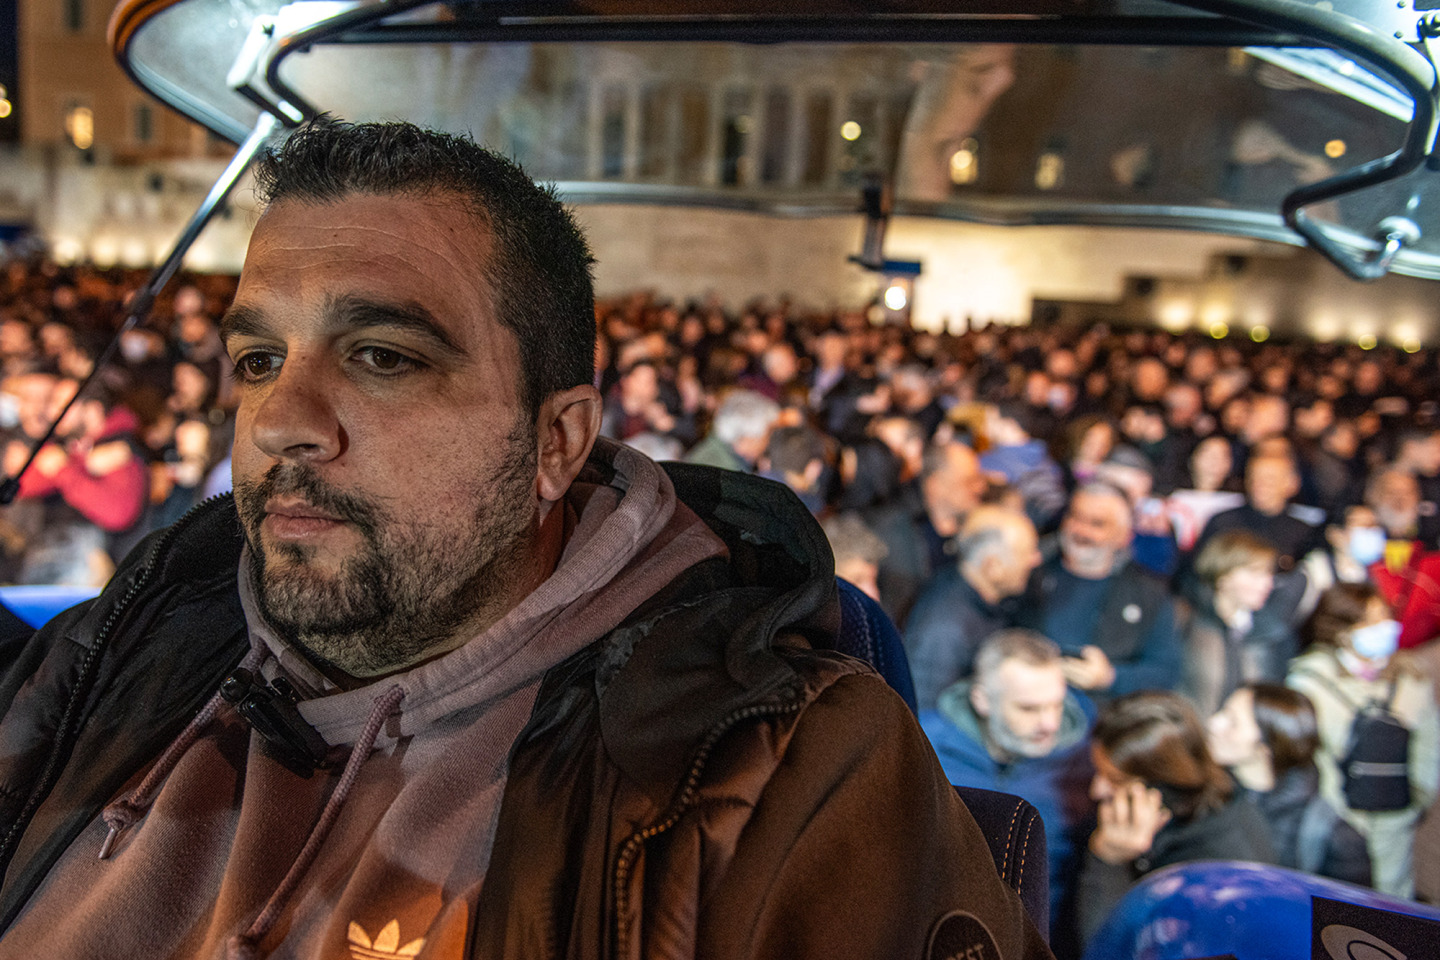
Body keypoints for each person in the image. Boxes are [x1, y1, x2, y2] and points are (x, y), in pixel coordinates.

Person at [0, 120, 1049, 960]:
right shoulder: (118, 652)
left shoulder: (768, 777)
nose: (281, 420)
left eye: (380, 356)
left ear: (555, 443)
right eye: (261, 358)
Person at [920, 630, 1096, 949]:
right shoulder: (925, 744)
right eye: (1029, 709)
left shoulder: (1088, 758)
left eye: (1056, 705)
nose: (1050, 724)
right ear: (982, 700)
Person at [1077, 692, 1275, 948]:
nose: (1097, 790)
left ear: (1163, 787)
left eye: (1114, 780)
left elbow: (1107, 950)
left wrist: (1107, 861)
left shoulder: (1212, 872)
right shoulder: (1197, 803)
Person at [1287, 583, 1440, 898]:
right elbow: (1311, 760)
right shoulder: (1309, 684)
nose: (1385, 629)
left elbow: (1429, 746)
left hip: (1395, 820)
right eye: (1371, 623)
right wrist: (1338, 817)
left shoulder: (1409, 676)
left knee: (1395, 907)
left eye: (1385, 619)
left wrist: (1415, 799)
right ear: (1343, 632)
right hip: (1340, 825)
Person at [1021, 483, 1181, 702]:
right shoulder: (1029, 574)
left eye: (1097, 524)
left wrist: (1111, 678)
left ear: (1123, 535)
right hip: (1028, 703)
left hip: (1105, 719)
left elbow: (1165, 672)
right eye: (1075, 517)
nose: (1081, 530)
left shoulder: (1149, 593)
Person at [1206, 684, 1371, 886]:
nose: (1213, 724)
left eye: (1233, 722)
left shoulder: (1336, 839)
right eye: (1222, 711)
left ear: (1267, 746)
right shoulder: (1207, 791)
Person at [905, 505, 1042, 711]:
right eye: (1026, 552)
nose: (1036, 559)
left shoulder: (979, 592)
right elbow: (926, 716)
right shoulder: (945, 630)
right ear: (992, 566)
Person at [865, 439, 987, 628]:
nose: (980, 488)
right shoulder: (891, 529)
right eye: (969, 481)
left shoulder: (977, 526)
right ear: (936, 484)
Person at [1180, 530, 1294, 717]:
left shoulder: (1273, 633)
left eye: (1269, 574)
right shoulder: (1186, 620)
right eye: (1255, 573)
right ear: (1222, 574)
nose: (1268, 583)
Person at [682, 387, 779, 472]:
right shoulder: (727, 473)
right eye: (768, 433)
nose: (770, 440)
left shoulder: (714, 449)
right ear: (748, 438)